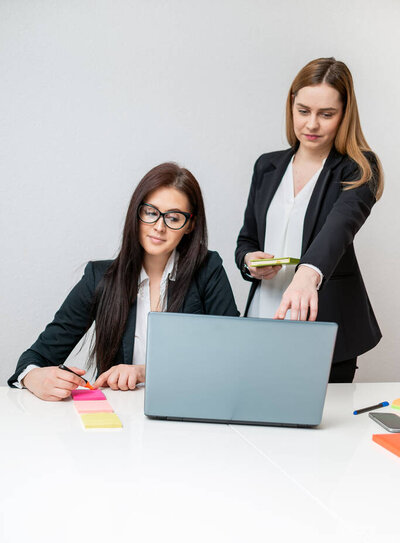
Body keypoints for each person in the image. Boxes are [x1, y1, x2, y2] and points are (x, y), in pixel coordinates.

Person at [9, 162, 239, 400]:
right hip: (120, 419)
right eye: (151, 212)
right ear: (136, 213)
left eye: (173, 217)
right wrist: (33, 377)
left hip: (188, 409)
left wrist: (145, 373)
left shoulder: (208, 271)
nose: (159, 227)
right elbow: (36, 357)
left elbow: (231, 357)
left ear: (190, 225)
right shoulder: (100, 278)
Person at [235, 57, 383, 383]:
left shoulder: (358, 169)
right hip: (263, 316)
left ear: (345, 114)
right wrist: (249, 260)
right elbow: (247, 239)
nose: (312, 124)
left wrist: (307, 275)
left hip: (324, 327)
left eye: (326, 114)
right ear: (291, 105)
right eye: (303, 111)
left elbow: (339, 227)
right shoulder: (266, 166)